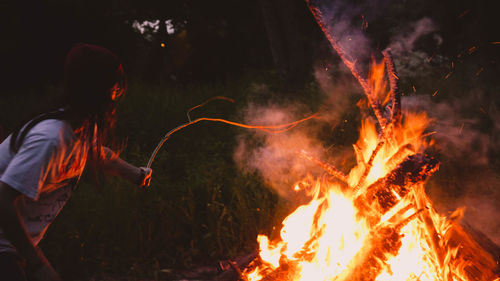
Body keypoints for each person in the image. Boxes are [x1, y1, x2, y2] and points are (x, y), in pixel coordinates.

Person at [0, 43, 152, 281]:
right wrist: (36, 264)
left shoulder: (80, 124)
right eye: (115, 87)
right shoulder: (50, 139)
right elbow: (2, 199)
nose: (117, 93)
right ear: (97, 90)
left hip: (14, 245)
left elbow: (95, 153)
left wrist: (135, 173)